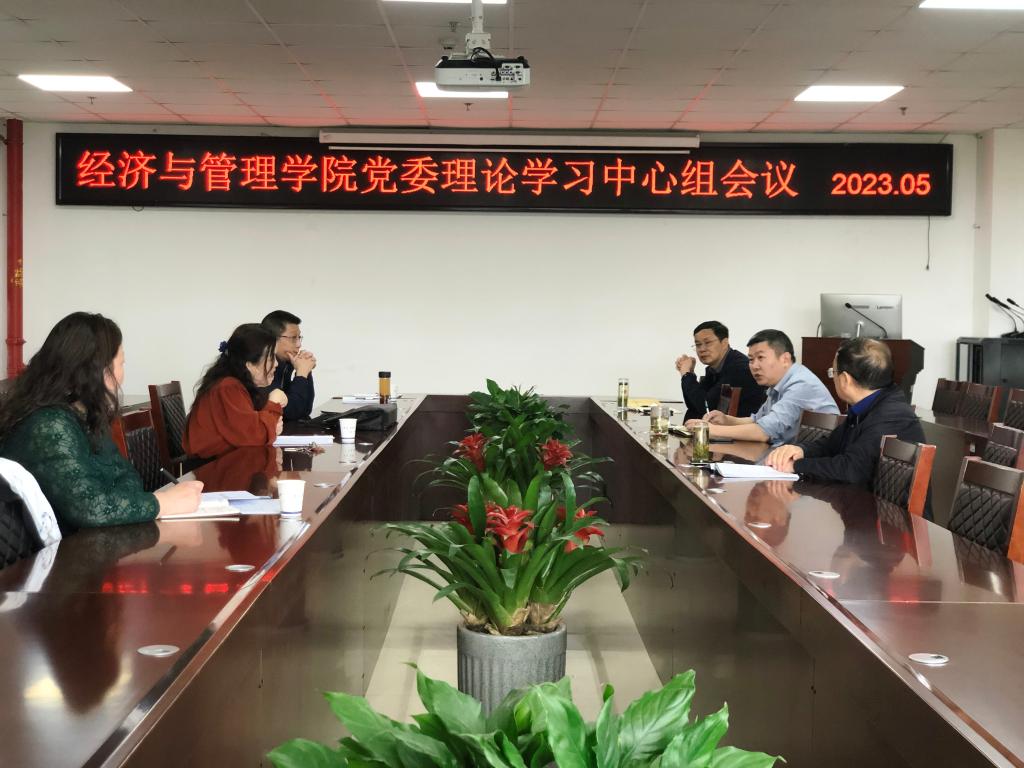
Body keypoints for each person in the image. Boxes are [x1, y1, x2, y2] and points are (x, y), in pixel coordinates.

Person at [0, 312, 202, 532]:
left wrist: (117, 500)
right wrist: (163, 503)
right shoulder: (48, 423)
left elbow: (128, 476)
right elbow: (91, 508)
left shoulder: (86, 413)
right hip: (59, 551)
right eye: (121, 364)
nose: (122, 376)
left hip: (93, 538)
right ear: (101, 371)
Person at [766, 337, 925, 487]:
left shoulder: (892, 415)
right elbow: (831, 444)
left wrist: (796, 465)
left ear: (845, 380)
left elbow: (851, 469)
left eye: (833, 372)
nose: (833, 378)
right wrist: (801, 450)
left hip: (885, 507)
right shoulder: (868, 405)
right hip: (859, 499)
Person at [686, 329, 838, 445]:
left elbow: (763, 432)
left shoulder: (800, 384)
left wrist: (711, 430)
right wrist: (727, 420)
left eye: (760, 358)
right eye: (751, 359)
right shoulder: (778, 383)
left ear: (785, 359)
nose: (754, 366)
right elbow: (758, 420)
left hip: (810, 466)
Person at [183, 323, 288, 459]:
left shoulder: (235, 385)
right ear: (250, 365)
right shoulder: (227, 387)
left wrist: (271, 425)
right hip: (212, 467)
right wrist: (273, 403)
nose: (276, 364)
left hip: (229, 461)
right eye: (270, 358)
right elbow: (254, 436)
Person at [675, 320, 766, 422]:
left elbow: (707, 409)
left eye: (708, 343)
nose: (702, 349)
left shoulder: (739, 368)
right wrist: (690, 373)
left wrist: (686, 374)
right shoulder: (712, 369)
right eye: (698, 344)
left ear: (724, 343)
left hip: (744, 429)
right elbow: (694, 405)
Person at [262, 310, 316, 421]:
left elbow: (305, 410)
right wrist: (301, 373)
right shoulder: (260, 367)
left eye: (299, 337)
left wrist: (305, 370)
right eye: (293, 338)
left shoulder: (285, 365)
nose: (299, 344)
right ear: (272, 339)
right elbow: (290, 413)